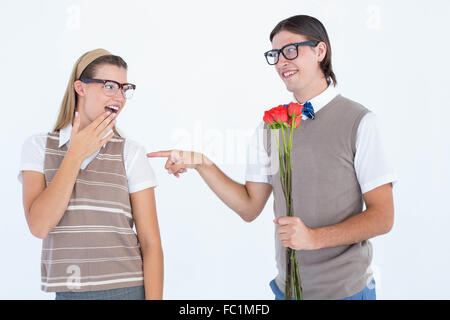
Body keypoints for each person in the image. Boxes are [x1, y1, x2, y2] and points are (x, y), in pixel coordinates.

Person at [148, 15, 396, 300]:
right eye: (275, 54)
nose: (281, 62)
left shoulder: (360, 122)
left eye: (290, 50)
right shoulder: (270, 129)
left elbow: (383, 216)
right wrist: (202, 162)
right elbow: (249, 207)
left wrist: (314, 239)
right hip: (286, 291)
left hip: (348, 292)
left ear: (320, 51)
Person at [19, 49, 163, 300]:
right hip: (69, 293)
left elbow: (151, 245)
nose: (119, 96)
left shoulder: (130, 153)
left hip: (128, 291)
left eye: (124, 88)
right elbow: (40, 226)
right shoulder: (39, 148)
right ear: (80, 87)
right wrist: (74, 155)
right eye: (109, 86)